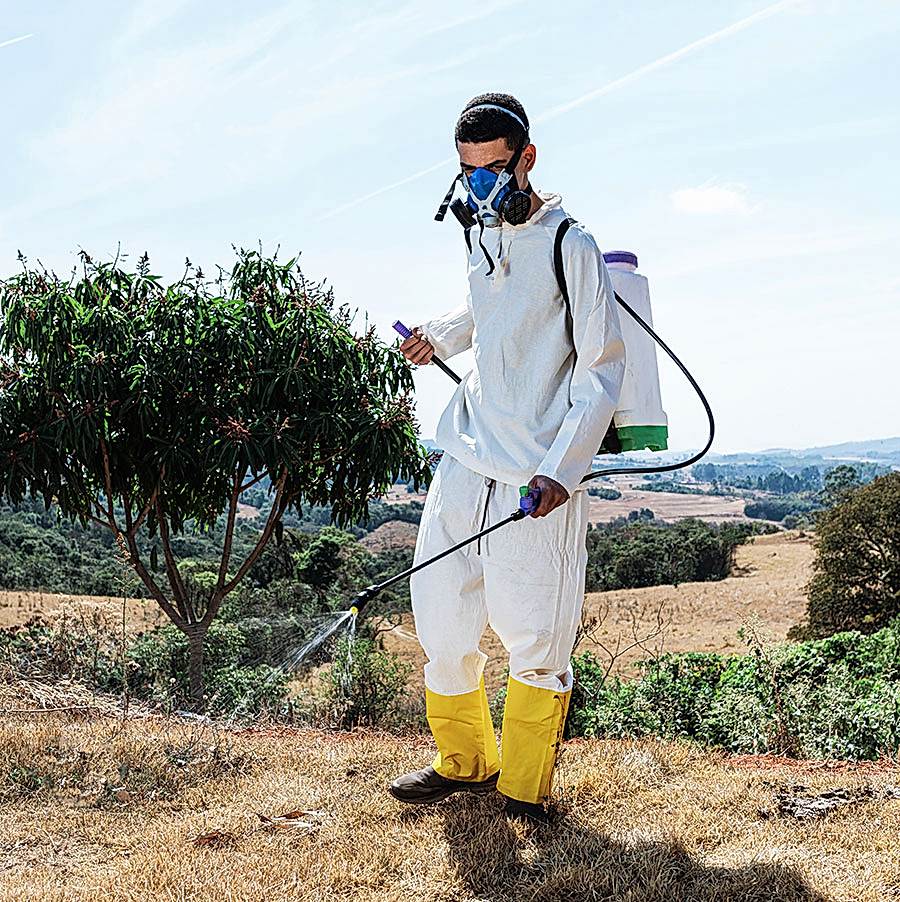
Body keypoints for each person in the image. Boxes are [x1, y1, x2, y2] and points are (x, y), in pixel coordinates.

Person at [390, 93, 626, 822]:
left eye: (494, 172)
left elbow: (602, 368)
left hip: (538, 473)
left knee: (534, 633)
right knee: (441, 617)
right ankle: (464, 763)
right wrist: (438, 334)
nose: (483, 190)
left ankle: (524, 788)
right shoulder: (481, 235)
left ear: (527, 158)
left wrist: (564, 465)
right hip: (467, 453)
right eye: (470, 176)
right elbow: (486, 316)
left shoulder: (571, 243)